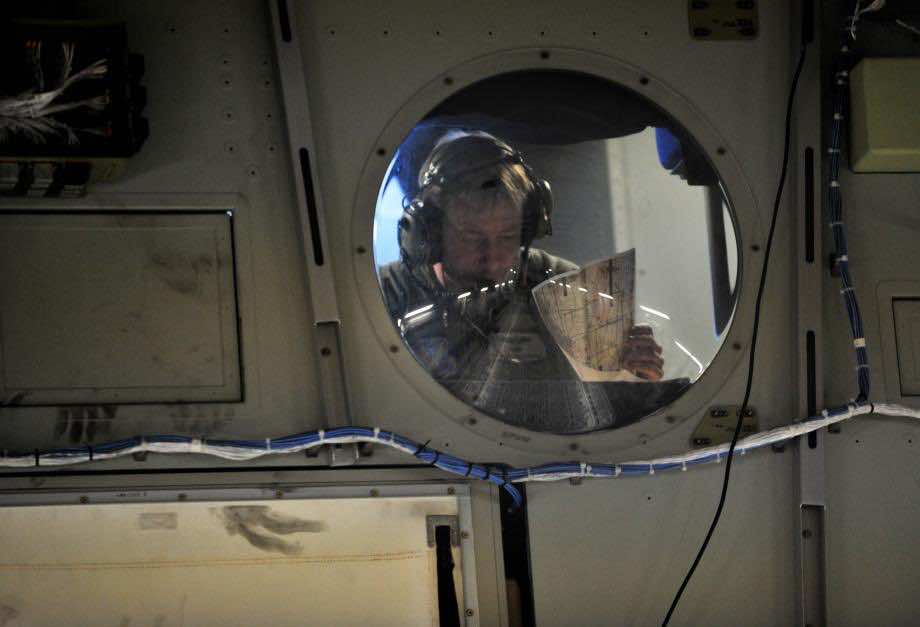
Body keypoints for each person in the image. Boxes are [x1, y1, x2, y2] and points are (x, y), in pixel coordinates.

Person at [378, 130, 678, 433]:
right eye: (471, 238)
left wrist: (630, 377)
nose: (493, 260)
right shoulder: (384, 297)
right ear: (430, 234)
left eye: (507, 237)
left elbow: (607, 412)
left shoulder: (561, 286)